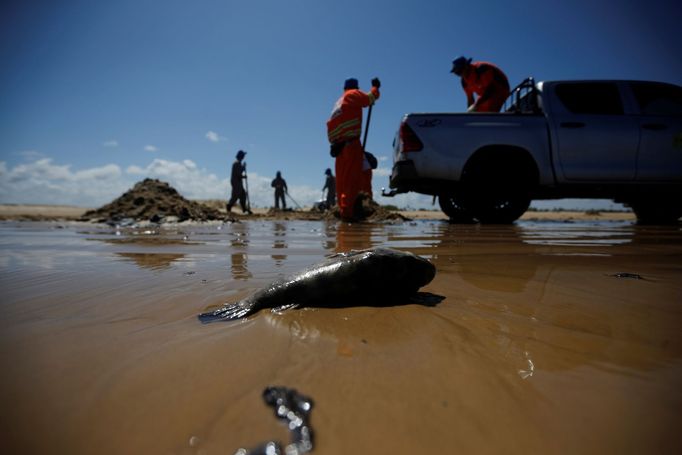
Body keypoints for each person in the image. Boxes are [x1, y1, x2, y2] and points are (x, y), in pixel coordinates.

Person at [327, 77, 380, 220]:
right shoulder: (352, 94)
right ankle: (348, 215)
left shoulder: (338, 102)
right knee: (351, 182)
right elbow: (369, 99)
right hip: (351, 145)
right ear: (355, 87)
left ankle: (343, 210)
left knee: (342, 183)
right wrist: (375, 87)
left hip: (338, 147)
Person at [226, 149, 252, 214]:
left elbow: (239, 173)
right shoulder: (236, 163)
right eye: (243, 155)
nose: (244, 157)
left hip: (238, 181)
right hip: (236, 182)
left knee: (243, 194)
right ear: (241, 156)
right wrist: (243, 168)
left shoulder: (238, 163)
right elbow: (238, 174)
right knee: (235, 195)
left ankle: (244, 209)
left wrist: (243, 169)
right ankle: (229, 206)